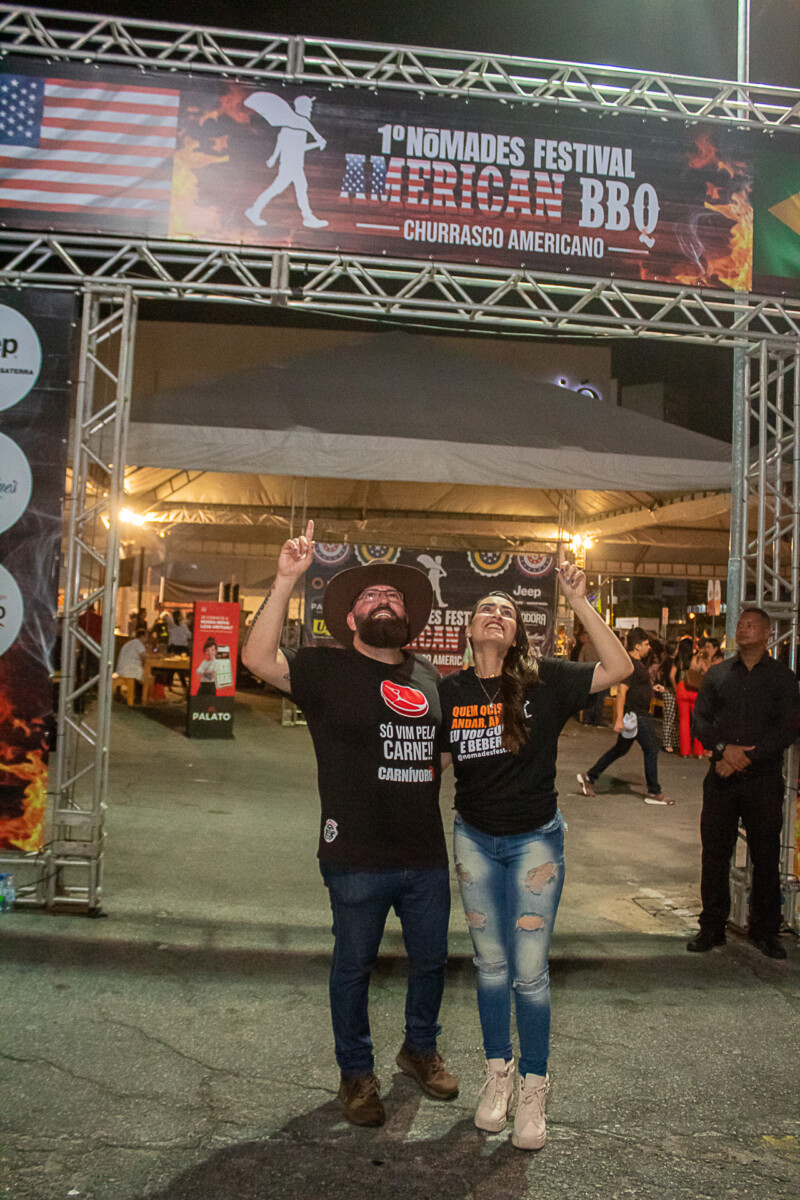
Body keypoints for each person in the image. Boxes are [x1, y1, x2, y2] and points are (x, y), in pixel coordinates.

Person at [241, 520, 458, 1128]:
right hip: (354, 854)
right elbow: (256, 658)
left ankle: (419, 1049)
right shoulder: (322, 669)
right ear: (350, 619)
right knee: (353, 966)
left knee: (432, 960)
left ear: (409, 618)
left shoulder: (428, 677)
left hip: (424, 853)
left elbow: (441, 749)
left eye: (393, 597)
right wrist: (286, 579)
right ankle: (356, 1075)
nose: (383, 600)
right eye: (370, 596)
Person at [439, 548, 632, 1150]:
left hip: (533, 844)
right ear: (469, 630)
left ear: (518, 632)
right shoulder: (448, 691)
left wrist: (579, 600)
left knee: (528, 972)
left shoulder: (543, 681)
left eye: (507, 610)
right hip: (473, 839)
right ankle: (497, 1076)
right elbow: (428, 762)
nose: (496, 613)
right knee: (490, 967)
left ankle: (533, 1088)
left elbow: (620, 666)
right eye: (486, 609)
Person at [688, 607, 800, 959]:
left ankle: (765, 930)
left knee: (766, 856)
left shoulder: (782, 678)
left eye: (751, 625)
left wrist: (746, 757)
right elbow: (700, 721)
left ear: (767, 633)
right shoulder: (718, 674)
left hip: (762, 780)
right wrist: (724, 751)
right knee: (714, 854)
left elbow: (788, 728)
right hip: (721, 777)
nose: (743, 628)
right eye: (740, 624)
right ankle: (712, 926)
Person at [578, 628, 673, 805]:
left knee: (620, 750)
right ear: (637, 646)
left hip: (635, 714)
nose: (648, 647)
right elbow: (622, 692)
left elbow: (634, 688)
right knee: (651, 749)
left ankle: (590, 777)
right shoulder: (632, 666)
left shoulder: (634, 665)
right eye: (646, 644)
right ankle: (654, 792)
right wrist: (619, 718)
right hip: (637, 715)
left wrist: (650, 689)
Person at [674, 637, 706, 757]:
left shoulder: (679, 660)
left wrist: (675, 687)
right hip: (695, 691)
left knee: (684, 721)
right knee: (698, 720)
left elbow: (672, 675)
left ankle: (685, 752)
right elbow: (707, 672)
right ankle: (699, 752)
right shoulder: (697, 660)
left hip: (682, 689)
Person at [578, 630, 606, 725]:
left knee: (589, 697)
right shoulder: (601, 648)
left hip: (589, 674)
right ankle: (598, 719)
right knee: (599, 698)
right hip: (600, 674)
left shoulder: (585, 646)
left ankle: (587, 719)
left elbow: (580, 659)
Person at [115, 626, 147, 702]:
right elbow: (144, 656)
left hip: (122, 668)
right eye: (146, 636)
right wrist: (158, 656)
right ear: (142, 636)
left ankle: (136, 696)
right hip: (129, 669)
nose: (147, 639)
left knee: (142, 673)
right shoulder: (138, 643)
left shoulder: (130, 643)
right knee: (146, 676)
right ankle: (140, 698)